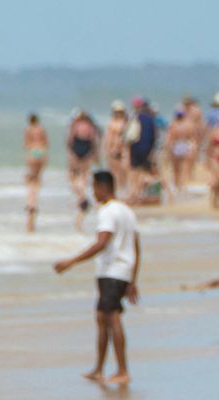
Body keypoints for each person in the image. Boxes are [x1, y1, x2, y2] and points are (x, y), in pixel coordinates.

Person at [53, 170, 140, 385]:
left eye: (94, 187)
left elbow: (102, 243)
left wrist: (70, 262)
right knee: (102, 318)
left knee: (112, 317)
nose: (93, 192)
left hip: (112, 271)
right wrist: (132, 280)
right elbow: (136, 248)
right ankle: (99, 369)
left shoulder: (108, 212)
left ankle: (122, 370)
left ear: (103, 188)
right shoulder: (127, 211)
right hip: (120, 272)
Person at [66, 110, 100, 221]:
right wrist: (94, 155)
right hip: (87, 148)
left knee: (73, 175)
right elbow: (94, 141)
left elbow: (70, 140)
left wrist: (71, 153)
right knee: (84, 174)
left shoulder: (76, 125)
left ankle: (81, 197)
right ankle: (83, 195)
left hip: (77, 147)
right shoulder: (90, 126)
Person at [23, 113, 49, 232]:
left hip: (33, 151)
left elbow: (26, 144)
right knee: (38, 179)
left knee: (31, 180)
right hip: (41, 152)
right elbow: (46, 143)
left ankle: (31, 204)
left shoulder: (28, 129)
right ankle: (34, 203)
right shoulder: (41, 129)